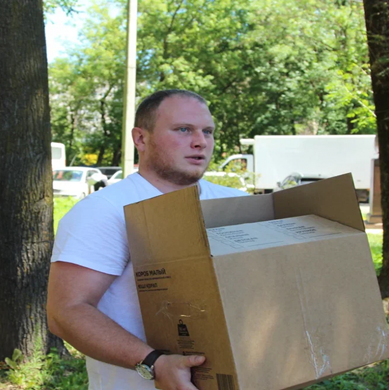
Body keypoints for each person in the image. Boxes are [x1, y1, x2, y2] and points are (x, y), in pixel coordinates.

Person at [47, 90, 249, 390]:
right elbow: (66, 313)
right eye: (183, 129)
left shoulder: (237, 204)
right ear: (140, 139)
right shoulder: (104, 211)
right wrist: (154, 363)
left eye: (207, 131)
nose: (200, 142)